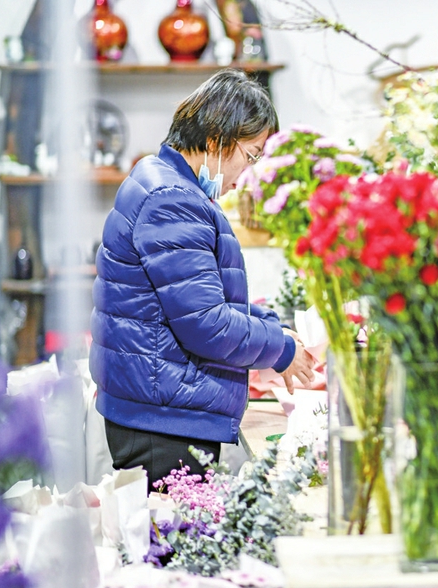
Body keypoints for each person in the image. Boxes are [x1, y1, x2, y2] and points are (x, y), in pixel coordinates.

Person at [89, 69, 315, 490]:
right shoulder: (172, 199)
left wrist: (270, 328)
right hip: (163, 423)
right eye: (250, 155)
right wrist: (280, 348)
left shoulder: (161, 179)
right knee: (172, 547)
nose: (246, 174)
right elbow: (205, 324)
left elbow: (198, 299)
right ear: (215, 140)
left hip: (157, 407)